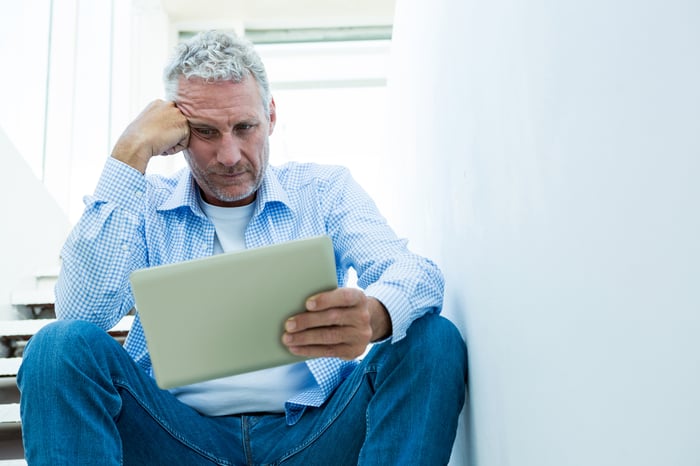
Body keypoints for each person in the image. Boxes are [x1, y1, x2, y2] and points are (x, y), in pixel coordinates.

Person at [18, 30, 467, 465]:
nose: (229, 154)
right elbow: (82, 316)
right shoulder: (144, 205)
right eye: (206, 132)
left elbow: (413, 272)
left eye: (244, 126)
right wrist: (130, 151)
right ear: (176, 134)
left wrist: (375, 316)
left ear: (270, 116)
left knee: (433, 338)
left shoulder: (324, 190)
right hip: (174, 435)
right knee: (58, 347)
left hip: (314, 433)